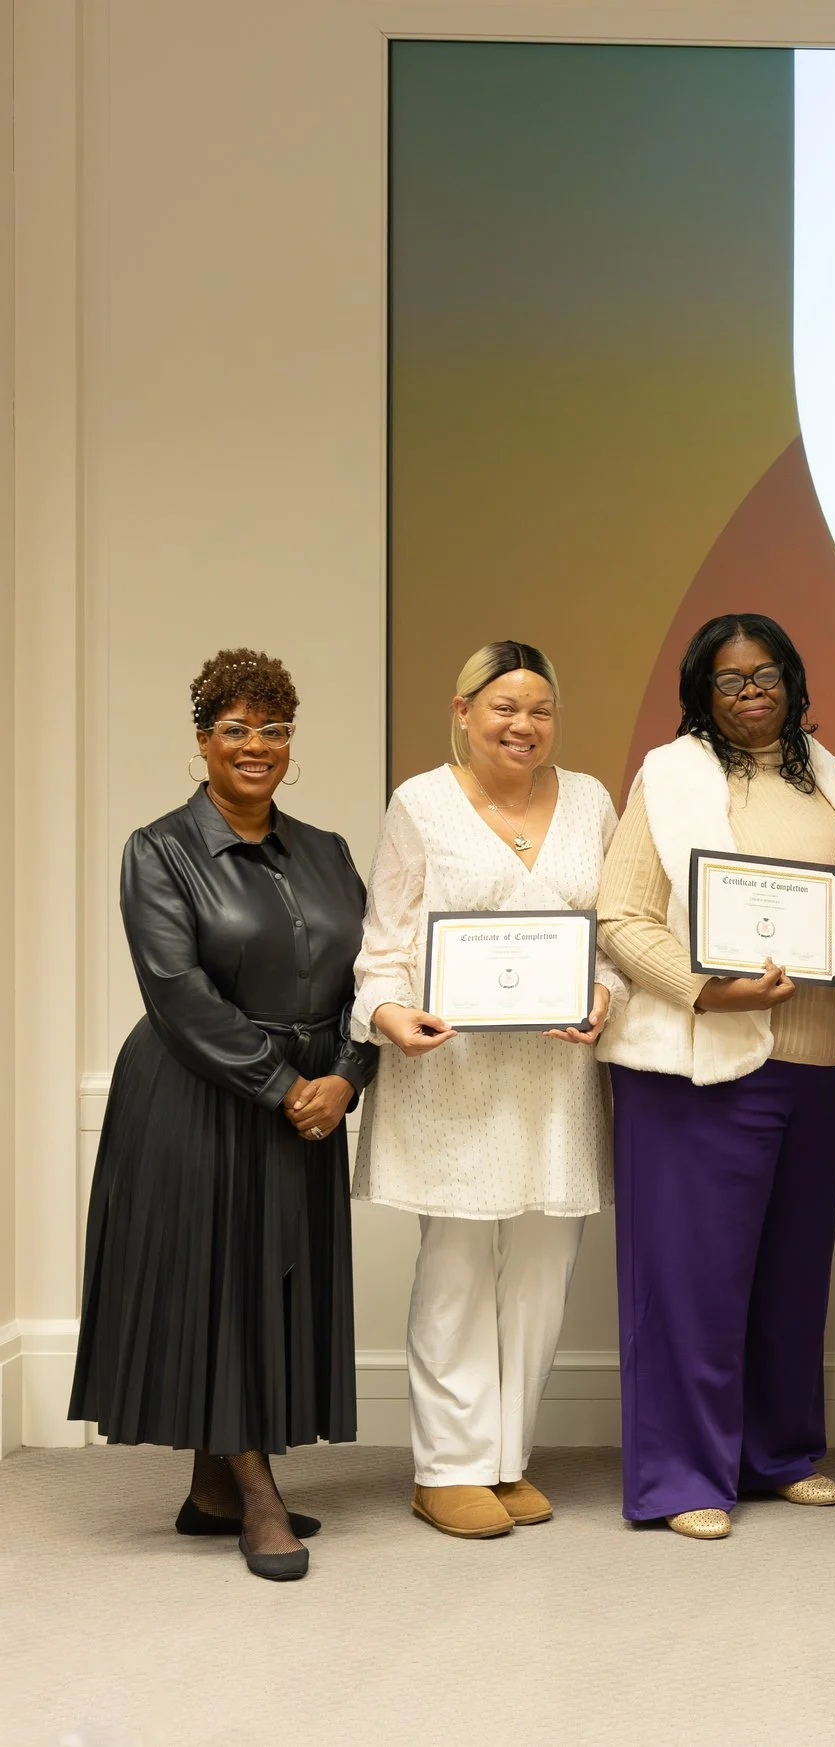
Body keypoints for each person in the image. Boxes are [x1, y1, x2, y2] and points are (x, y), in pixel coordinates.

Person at [70, 649, 377, 1581]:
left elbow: (379, 973)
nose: (256, 746)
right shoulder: (157, 849)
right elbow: (177, 991)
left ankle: (211, 1489)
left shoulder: (325, 849)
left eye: (273, 729)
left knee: (266, 1281)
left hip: (312, 1097)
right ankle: (255, 1495)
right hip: (197, 1094)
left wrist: (351, 1077)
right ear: (202, 740)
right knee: (222, 1283)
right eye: (236, 729)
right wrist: (285, 1084)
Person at [595, 613, 835, 1540]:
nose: (750, 693)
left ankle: (777, 1452)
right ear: (700, 696)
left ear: (792, 679)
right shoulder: (669, 777)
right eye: (728, 680)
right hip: (700, 1066)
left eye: (765, 675)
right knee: (691, 1282)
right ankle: (679, 1476)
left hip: (821, 1063)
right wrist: (708, 990)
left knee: (791, 1278)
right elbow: (622, 917)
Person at [351, 641, 624, 1539]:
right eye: (503, 706)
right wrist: (390, 1015)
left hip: (556, 1076)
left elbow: (614, 939)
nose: (524, 724)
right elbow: (383, 948)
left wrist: (602, 995)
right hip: (453, 1072)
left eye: (540, 708)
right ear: (462, 709)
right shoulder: (420, 803)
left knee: (545, 1270)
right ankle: (447, 1467)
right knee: (459, 1266)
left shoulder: (589, 800)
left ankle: (505, 1459)